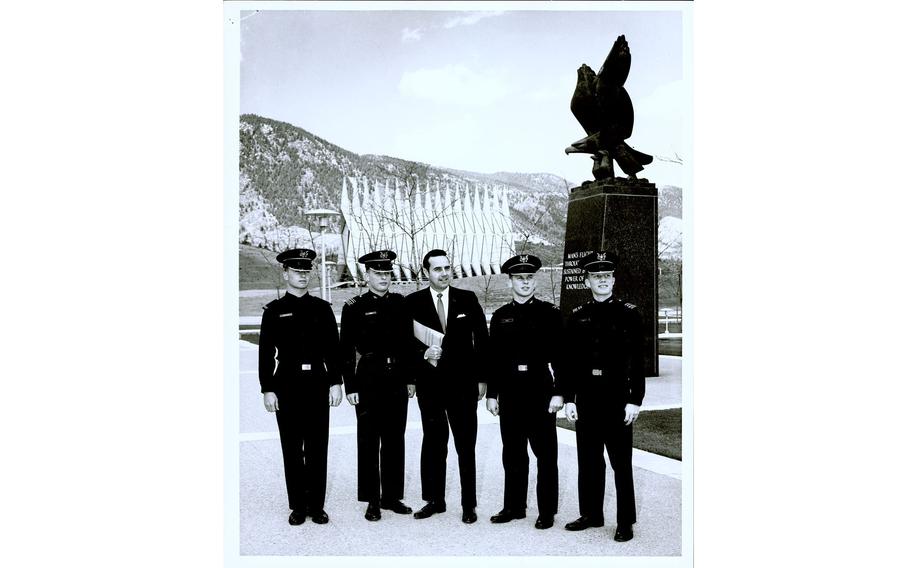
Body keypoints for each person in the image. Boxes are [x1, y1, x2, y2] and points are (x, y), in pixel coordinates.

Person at [561, 251, 645, 542]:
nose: (602, 281)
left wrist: (636, 400)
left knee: (620, 463)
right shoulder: (577, 316)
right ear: (587, 281)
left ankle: (625, 521)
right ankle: (591, 514)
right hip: (586, 398)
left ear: (613, 279)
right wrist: (570, 399)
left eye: (607, 276)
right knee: (589, 460)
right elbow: (570, 362)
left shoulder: (628, 314)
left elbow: (637, 361)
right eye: (596, 276)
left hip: (616, 398)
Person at [258, 248, 343, 526]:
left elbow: (333, 350)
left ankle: (316, 506)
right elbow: (266, 353)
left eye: (306, 272)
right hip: (287, 386)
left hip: (318, 383)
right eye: (297, 271)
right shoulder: (274, 311)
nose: (302, 276)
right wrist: (267, 388)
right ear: (286, 273)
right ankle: (297, 505)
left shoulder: (322, 309)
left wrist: (335, 383)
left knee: (318, 446)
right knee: (292, 447)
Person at [405, 249, 489, 524]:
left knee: (466, 446)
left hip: (463, 386)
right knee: (433, 444)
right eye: (437, 269)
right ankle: (434, 500)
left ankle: (468, 504)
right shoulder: (412, 303)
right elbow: (404, 345)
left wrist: (482, 378)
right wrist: (421, 355)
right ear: (426, 272)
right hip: (430, 387)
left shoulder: (467, 298)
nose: (443, 273)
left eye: (447, 267)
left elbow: (482, 341)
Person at [485, 254, 565, 530]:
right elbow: (494, 360)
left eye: (529, 277)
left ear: (535, 280)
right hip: (510, 393)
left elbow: (561, 359)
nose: (525, 283)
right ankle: (514, 506)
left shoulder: (550, 314)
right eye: (519, 278)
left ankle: (547, 511)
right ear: (510, 282)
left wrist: (560, 392)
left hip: (540, 391)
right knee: (513, 454)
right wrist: (492, 394)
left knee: (545, 455)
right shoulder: (500, 317)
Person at [340, 250, 415, 521]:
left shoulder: (401, 303)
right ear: (367, 275)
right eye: (377, 273)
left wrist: (410, 379)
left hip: (397, 376)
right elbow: (345, 350)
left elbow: (408, 344)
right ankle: (372, 499)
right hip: (369, 378)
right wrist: (351, 386)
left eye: (386, 272)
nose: (383, 277)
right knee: (369, 440)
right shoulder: (353, 307)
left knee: (395, 439)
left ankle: (392, 497)